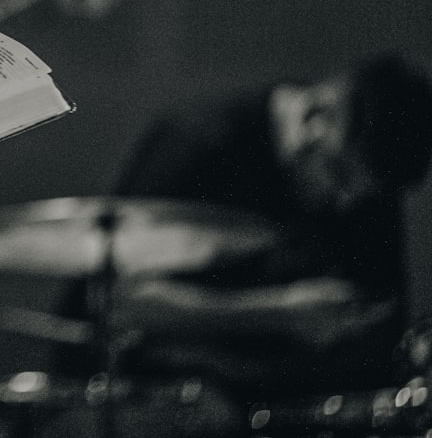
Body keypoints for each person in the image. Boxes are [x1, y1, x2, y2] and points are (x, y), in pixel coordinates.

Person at [56, 54, 432, 401]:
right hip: (149, 393)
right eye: (338, 177)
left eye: (363, 196)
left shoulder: (367, 169)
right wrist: (280, 314)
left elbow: (384, 326)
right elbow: (117, 302)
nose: (345, 204)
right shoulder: (197, 141)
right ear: (315, 116)